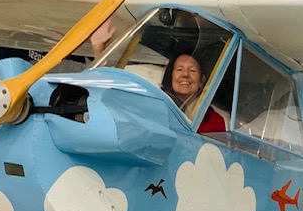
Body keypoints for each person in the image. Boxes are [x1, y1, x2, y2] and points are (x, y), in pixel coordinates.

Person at [90, 23, 226, 133]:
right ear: (171, 77)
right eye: (179, 69)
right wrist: (98, 49)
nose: (185, 74)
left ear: (202, 80)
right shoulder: (155, 106)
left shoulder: (215, 121)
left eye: (192, 70)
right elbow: (116, 103)